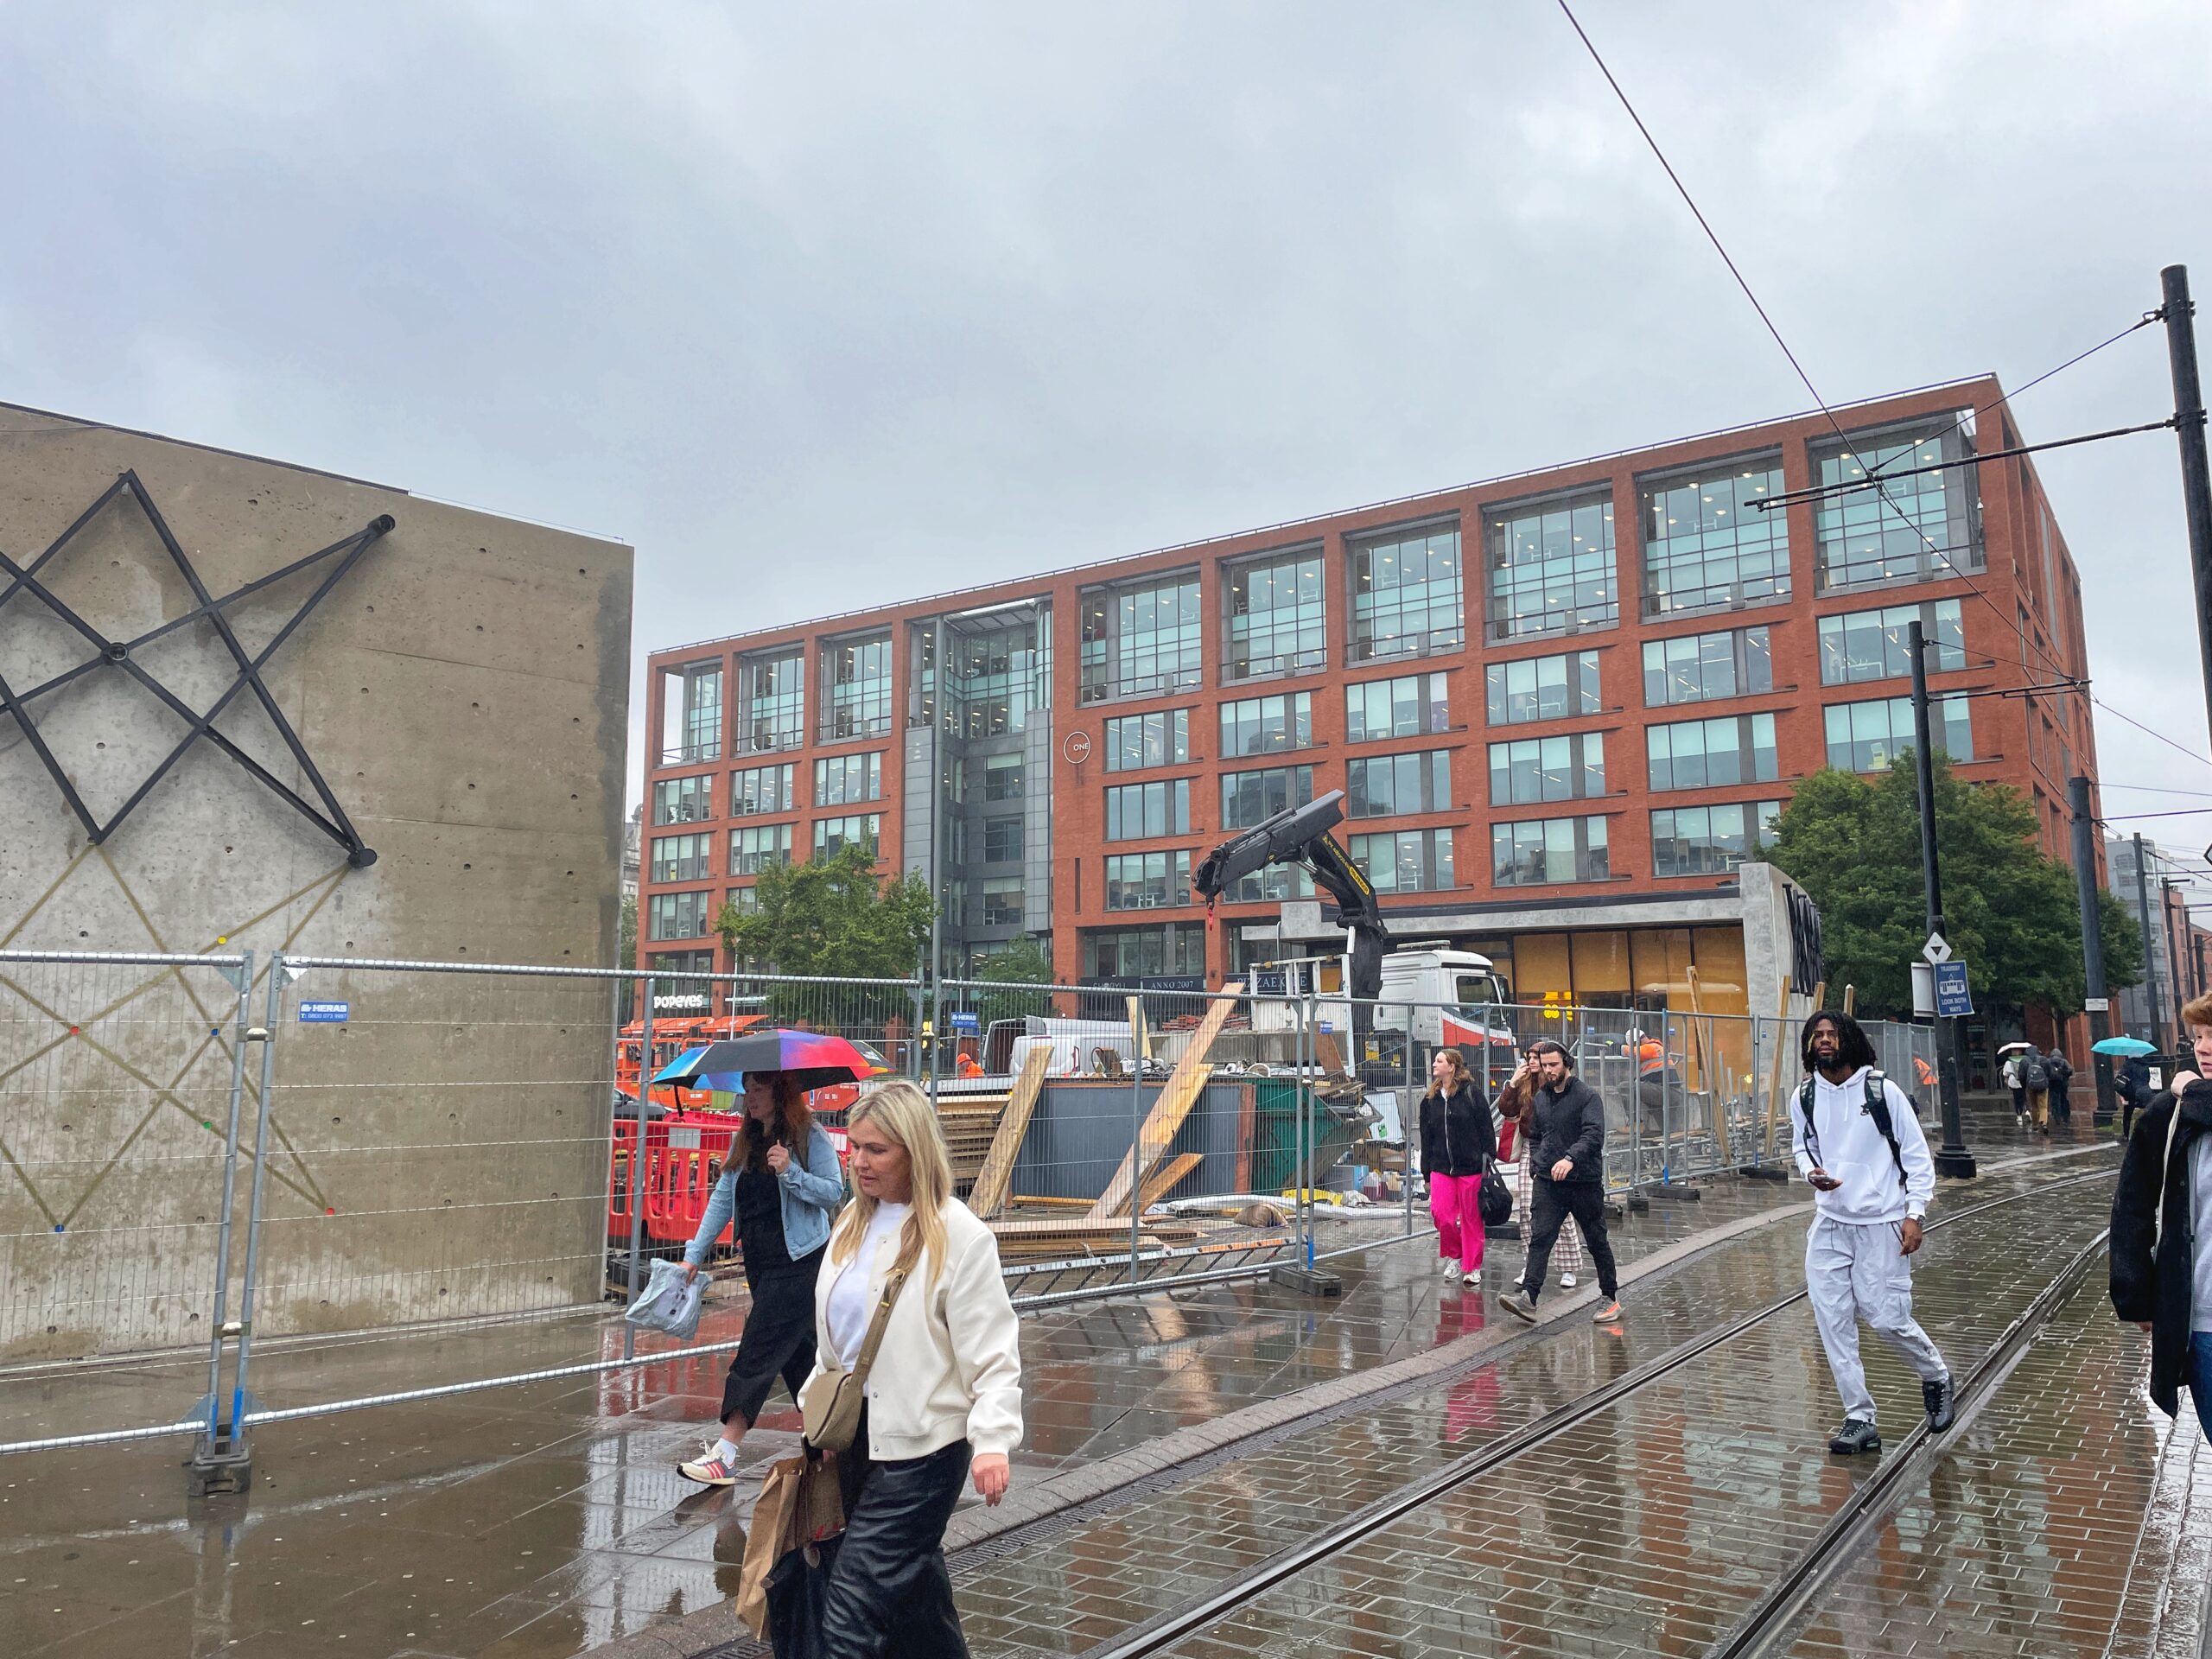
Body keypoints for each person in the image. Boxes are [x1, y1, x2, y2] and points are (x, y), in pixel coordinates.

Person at [810, 1079, 1022, 1656]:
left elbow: (993, 1350)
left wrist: (993, 1441)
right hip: (859, 1440)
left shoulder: (960, 1238)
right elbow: (836, 1335)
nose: (859, 1162)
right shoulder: (852, 1222)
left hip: (924, 1453)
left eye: (876, 1150)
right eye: (854, 1147)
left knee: (850, 1612)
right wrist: (820, 1417)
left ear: (914, 1150)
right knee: (916, 1597)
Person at [1791, 1010, 1955, 1455]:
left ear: (1848, 1039)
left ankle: (1936, 1374)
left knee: (1885, 1317)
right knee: (1833, 1321)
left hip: (1881, 1222)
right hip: (1829, 1224)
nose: (1824, 1041)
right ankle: (1859, 1417)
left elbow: (1918, 1158)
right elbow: (1802, 1145)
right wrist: (1812, 1174)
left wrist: (1914, 1214)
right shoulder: (1804, 1095)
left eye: (1831, 1034)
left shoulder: (1881, 1090)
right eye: (1816, 1036)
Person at [674, 1071, 846, 1487]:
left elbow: (833, 1191)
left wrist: (790, 1172)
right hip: (762, 1265)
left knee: (757, 1349)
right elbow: (722, 1199)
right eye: (746, 1089)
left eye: (760, 1088)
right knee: (800, 1359)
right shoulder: (747, 1139)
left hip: (801, 1262)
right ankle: (837, 1450)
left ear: (780, 1091)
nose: (750, 1098)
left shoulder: (808, 1136)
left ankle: (726, 1452)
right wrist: (694, 1254)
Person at [2110, 994, 2212, 1445]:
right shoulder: (2165, 1116)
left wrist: (2193, 1090)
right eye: (2199, 1036)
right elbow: (2132, 1206)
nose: (2204, 1047)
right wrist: (2137, 1292)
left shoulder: (2185, 1097)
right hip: (2203, 1320)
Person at [1498, 1040, 1621, 1325]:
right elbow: (1538, 1134)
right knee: (1540, 1238)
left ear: (1567, 1063)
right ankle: (1528, 1297)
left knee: (1596, 1240)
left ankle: (1610, 1297)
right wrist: (1539, 1165)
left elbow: (1593, 1135)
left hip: (1583, 1181)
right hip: (1549, 1182)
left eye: (1554, 1064)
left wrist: (1570, 1159)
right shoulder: (1541, 1098)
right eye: (1545, 1065)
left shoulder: (1587, 1097)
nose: (1549, 1070)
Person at [1498, 1052, 1586, 1293]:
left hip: (1558, 1146)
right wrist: (1514, 1082)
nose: (1533, 1062)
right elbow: (1506, 1109)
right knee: (1527, 1208)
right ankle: (1531, 1265)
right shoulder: (1525, 1084)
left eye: (1537, 1058)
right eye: (1530, 1058)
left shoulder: (1558, 1085)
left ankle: (1568, 1266)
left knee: (1561, 1209)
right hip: (1531, 1147)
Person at [1418, 1047, 1497, 1287]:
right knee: (1442, 1216)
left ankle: (1472, 1267)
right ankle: (1455, 1254)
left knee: (1472, 1219)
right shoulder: (1430, 1100)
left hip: (1470, 1167)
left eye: (1439, 1060)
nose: (1434, 1064)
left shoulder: (1471, 1094)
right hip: (1441, 1167)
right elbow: (1426, 1137)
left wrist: (1487, 1159)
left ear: (1452, 1066)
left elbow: (1486, 1129)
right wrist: (1426, 1172)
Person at [2120, 1053, 2155, 1140]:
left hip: (2133, 1092)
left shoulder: (2127, 1064)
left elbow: (2121, 1079)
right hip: (2146, 1092)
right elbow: (2148, 1079)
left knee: (2127, 1115)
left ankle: (2126, 1135)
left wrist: (2123, 1095)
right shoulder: (2145, 1065)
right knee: (2150, 1113)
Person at [2020, 1046, 2052, 1135]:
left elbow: (2021, 1075)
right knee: (2043, 1106)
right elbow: (2049, 1072)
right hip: (2042, 1086)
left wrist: (2024, 1086)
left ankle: (2035, 1125)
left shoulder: (2024, 1061)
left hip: (2030, 1086)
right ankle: (2044, 1123)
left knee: (2034, 1106)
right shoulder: (2043, 1059)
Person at [2044, 1046, 2075, 1128]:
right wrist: (2064, 1075)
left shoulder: (2048, 1061)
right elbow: (2070, 1070)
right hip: (2063, 1084)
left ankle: (2057, 1117)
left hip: (2052, 1084)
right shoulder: (2064, 1061)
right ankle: (2066, 1117)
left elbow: (2045, 1072)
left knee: (2054, 1101)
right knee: (2064, 1099)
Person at [2002, 1050, 2025, 1127]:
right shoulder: (2024, 1060)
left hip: (2014, 1081)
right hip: (2023, 1081)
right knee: (2023, 1097)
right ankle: (2027, 1110)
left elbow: (2006, 1073)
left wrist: (2006, 1079)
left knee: (2016, 1098)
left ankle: (2019, 1115)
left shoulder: (2008, 1062)